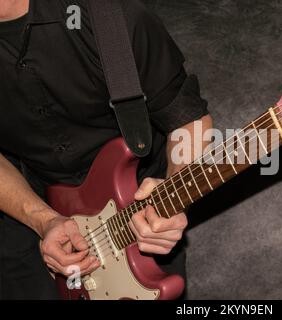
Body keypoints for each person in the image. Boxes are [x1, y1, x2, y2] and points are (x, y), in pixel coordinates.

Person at [0, 0, 212, 299]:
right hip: (25, 203)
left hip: (136, 209)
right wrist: (43, 219)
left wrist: (174, 195)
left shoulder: (111, 16)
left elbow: (188, 120)